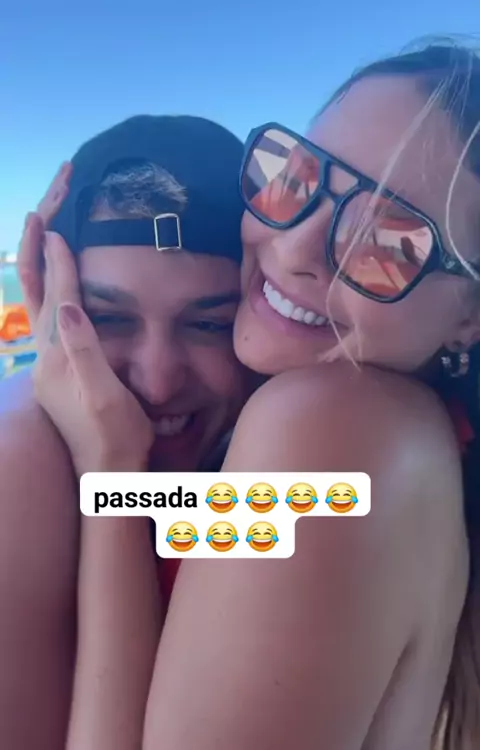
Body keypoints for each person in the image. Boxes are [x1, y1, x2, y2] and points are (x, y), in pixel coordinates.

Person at [27, 40, 480, 750]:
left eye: (387, 239)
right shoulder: (383, 438)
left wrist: (106, 470)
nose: (294, 248)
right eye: (297, 180)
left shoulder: (328, 426)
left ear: (470, 313)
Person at [0, 114, 254, 750]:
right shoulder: (21, 462)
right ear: (49, 308)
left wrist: (112, 478)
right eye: (108, 318)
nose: (158, 382)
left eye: (210, 325)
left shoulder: (301, 477)